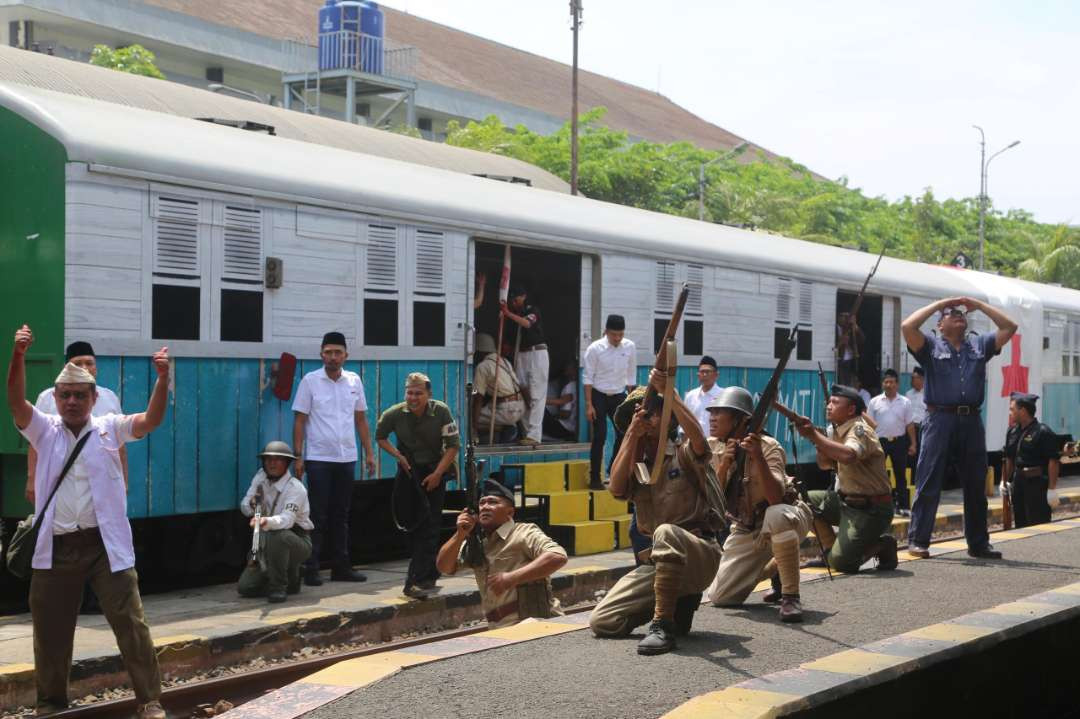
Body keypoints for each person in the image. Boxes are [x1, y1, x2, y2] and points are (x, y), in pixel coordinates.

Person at [7, 325, 169, 719]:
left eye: (81, 395)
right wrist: (18, 356)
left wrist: (164, 378)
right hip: (56, 548)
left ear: (95, 398)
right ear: (56, 399)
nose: (73, 401)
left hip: (103, 546)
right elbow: (15, 402)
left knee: (132, 625)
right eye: (66, 395)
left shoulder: (109, 427)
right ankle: (50, 704)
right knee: (50, 634)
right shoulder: (45, 430)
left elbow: (151, 420)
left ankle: (150, 701)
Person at [589, 371, 722, 655]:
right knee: (604, 622)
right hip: (661, 564)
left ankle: (663, 625)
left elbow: (700, 441)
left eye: (653, 413)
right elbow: (615, 487)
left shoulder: (684, 453)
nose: (646, 418)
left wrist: (671, 396)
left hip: (700, 554)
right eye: (638, 415)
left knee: (665, 532)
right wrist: (631, 436)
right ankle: (677, 603)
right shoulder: (638, 465)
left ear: (669, 417)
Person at [901, 297, 1017, 559]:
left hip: (971, 420)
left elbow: (1009, 327)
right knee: (928, 480)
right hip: (939, 419)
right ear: (940, 325)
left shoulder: (979, 344)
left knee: (976, 483)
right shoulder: (929, 346)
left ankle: (978, 543)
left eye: (961, 313)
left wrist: (979, 305)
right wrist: (940, 303)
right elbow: (907, 326)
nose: (959, 314)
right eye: (951, 313)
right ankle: (918, 540)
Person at [703, 389, 815, 622]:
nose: (712, 418)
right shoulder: (713, 447)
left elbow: (775, 498)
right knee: (721, 597)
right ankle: (777, 566)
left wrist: (758, 458)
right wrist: (725, 464)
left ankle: (790, 596)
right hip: (747, 526)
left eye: (719, 412)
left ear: (740, 420)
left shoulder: (768, 446)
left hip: (787, 515)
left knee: (776, 514)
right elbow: (713, 500)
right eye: (711, 412)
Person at [292, 332, 375, 586]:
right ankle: (311, 567)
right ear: (321, 354)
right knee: (317, 514)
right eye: (328, 352)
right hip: (319, 458)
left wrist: (369, 453)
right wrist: (298, 456)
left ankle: (341, 566)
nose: (333, 357)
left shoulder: (353, 381)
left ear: (345, 356)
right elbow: (300, 420)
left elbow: (360, 419)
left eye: (337, 352)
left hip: (346, 457)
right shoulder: (310, 381)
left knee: (341, 514)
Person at [793, 385, 898, 574]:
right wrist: (820, 443)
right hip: (846, 503)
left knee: (842, 564)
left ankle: (883, 545)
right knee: (804, 500)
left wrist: (814, 436)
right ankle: (828, 551)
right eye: (829, 401)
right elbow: (824, 465)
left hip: (872, 509)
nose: (829, 406)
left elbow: (849, 455)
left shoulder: (860, 430)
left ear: (851, 410)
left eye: (835, 402)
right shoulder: (837, 431)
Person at [436, 479, 568, 626]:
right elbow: (445, 567)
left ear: (509, 512)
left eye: (493, 502)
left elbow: (558, 556)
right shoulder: (477, 543)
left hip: (535, 622)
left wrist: (511, 578)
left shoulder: (524, 532)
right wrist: (460, 534)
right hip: (499, 626)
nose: (485, 507)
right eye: (482, 503)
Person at [377, 372, 460, 598]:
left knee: (430, 524)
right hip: (409, 471)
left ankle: (418, 579)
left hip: (435, 469)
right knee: (410, 521)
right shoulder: (394, 414)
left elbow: (453, 446)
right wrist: (398, 456)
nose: (413, 397)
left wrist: (437, 474)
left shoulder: (441, 411)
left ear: (428, 394)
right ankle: (427, 572)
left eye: (418, 393)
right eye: (410, 392)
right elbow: (381, 436)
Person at [27, 341, 126, 503]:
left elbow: (120, 445)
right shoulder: (48, 398)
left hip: (101, 480)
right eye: (78, 363)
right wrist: (32, 479)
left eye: (89, 363)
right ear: (67, 368)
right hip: (58, 478)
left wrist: (123, 481)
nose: (85, 368)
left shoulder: (109, 398)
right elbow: (35, 442)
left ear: (96, 368)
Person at [237, 441, 313, 603]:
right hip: (266, 540)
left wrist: (265, 521)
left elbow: (287, 520)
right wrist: (252, 504)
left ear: (287, 464)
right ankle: (290, 580)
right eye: (268, 459)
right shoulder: (260, 478)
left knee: (279, 536)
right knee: (245, 588)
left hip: (296, 540)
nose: (272, 463)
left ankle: (278, 587)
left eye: (278, 459)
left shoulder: (295, 488)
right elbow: (244, 506)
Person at [583, 314, 637, 490]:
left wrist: (633, 400)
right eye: (614, 334)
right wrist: (589, 404)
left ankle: (613, 471)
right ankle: (595, 478)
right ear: (606, 332)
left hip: (619, 395)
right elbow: (588, 378)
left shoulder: (629, 347)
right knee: (600, 435)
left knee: (624, 434)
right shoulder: (594, 349)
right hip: (598, 394)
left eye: (620, 334)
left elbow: (631, 376)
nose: (617, 338)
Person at [1003, 393, 1061, 528]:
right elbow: (1009, 458)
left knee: (1038, 525)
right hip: (1018, 485)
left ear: (1022, 411)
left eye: (1012, 409)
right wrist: (1004, 481)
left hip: (1037, 485)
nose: (1010, 413)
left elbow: (1053, 461)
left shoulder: (1043, 431)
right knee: (1020, 524)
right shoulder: (1012, 432)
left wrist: (1052, 489)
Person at [501, 284, 548, 446]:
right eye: (512, 300)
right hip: (521, 354)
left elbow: (528, 324)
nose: (514, 302)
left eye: (516, 299)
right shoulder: (514, 315)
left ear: (523, 297)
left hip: (537, 353)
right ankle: (528, 434)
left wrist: (508, 314)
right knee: (523, 392)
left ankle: (534, 435)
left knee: (537, 394)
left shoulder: (532, 310)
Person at [867, 369, 917, 515]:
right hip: (880, 443)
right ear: (883, 384)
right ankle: (882, 506)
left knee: (900, 475)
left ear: (897, 384)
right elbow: (869, 424)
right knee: (879, 475)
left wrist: (913, 443)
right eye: (886, 382)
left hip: (899, 442)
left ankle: (903, 506)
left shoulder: (905, 402)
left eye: (892, 382)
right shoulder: (874, 402)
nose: (889, 385)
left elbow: (909, 424)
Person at [472, 333, 525, 444]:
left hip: (507, 410)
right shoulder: (504, 361)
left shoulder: (483, 366)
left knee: (468, 418)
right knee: (490, 409)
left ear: (479, 351)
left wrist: (474, 427)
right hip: (520, 406)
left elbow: (478, 399)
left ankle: (509, 428)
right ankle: (510, 426)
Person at [681, 355, 723, 438]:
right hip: (694, 445)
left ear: (716, 375)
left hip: (716, 446)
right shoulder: (691, 396)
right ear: (698, 375)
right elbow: (685, 421)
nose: (704, 374)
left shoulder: (723, 395)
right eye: (702, 372)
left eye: (708, 372)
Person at [543, 359, 578, 442]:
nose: (565, 369)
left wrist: (555, 416)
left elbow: (566, 414)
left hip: (563, 429)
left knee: (539, 409)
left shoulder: (569, 386)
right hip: (572, 431)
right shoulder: (579, 386)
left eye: (567, 367)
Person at [905, 366, 927, 477]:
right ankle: (912, 480)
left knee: (922, 455)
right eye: (912, 378)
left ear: (922, 379)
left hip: (923, 428)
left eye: (915, 378)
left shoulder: (928, 393)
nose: (912, 380)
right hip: (910, 428)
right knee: (910, 455)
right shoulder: (908, 394)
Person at [835, 311, 864, 386]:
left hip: (850, 360)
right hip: (839, 360)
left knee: (849, 383)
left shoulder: (851, 327)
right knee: (841, 383)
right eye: (843, 316)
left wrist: (855, 326)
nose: (845, 319)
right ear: (838, 317)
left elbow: (862, 340)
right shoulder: (834, 328)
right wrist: (840, 342)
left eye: (847, 316)